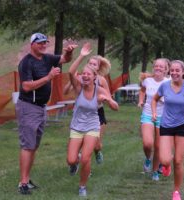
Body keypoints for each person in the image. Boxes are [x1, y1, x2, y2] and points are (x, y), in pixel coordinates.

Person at [16, 33, 77, 194]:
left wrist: (69, 52)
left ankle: (27, 180)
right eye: (40, 43)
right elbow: (26, 87)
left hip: (41, 107)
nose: (43, 45)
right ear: (32, 45)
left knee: (34, 145)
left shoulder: (46, 58)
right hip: (28, 107)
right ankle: (22, 183)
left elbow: (65, 59)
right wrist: (48, 77)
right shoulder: (26, 63)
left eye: (45, 43)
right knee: (27, 145)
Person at [66, 43, 118, 197]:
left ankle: (82, 186)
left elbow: (116, 107)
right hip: (76, 127)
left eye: (89, 74)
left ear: (95, 77)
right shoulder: (78, 87)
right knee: (71, 160)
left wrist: (108, 101)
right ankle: (76, 162)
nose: (85, 76)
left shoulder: (100, 90)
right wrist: (81, 55)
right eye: (83, 74)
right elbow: (70, 71)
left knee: (85, 159)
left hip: (92, 127)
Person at [152, 60, 184, 200]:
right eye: (172, 70)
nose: (174, 73)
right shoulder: (164, 86)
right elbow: (154, 99)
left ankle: (176, 191)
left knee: (179, 161)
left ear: (183, 72)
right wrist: (154, 112)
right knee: (165, 159)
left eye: (177, 70)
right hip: (166, 125)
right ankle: (166, 165)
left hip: (183, 125)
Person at [137, 58, 171, 181]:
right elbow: (142, 91)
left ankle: (155, 171)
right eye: (156, 66)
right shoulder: (147, 81)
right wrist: (141, 101)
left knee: (158, 146)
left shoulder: (169, 82)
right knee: (147, 143)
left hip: (163, 116)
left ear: (166, 69)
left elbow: (173, 96)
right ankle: (147, 158)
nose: (158, 68)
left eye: (161, 66)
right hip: (148, 113)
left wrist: (165, 100)